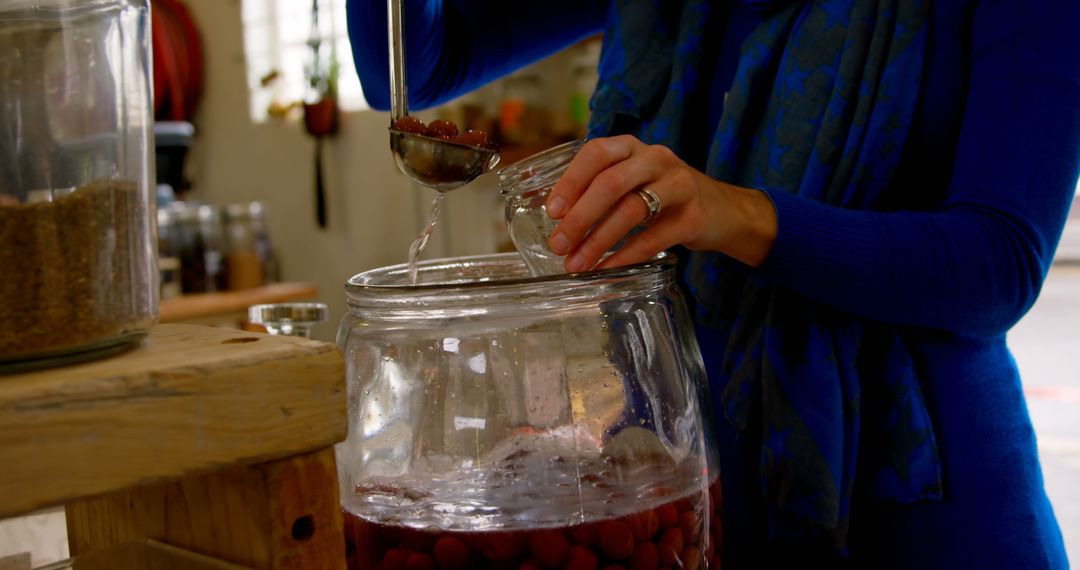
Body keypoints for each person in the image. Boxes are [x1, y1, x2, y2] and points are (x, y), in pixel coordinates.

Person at [347, 0, 1079, 567]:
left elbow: (996, 266)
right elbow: (411, 64)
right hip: (685, 502)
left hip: (917, 518)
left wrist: (732, 213)